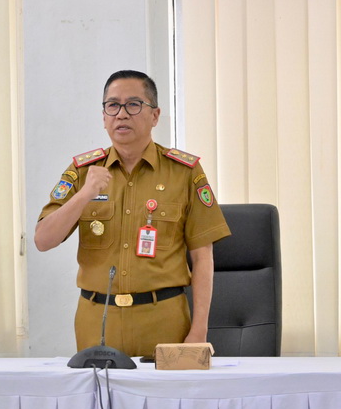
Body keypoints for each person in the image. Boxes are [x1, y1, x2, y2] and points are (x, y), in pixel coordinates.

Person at [35, 70, 232, 357]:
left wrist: (199, 330)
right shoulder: (82, 172)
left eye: (134, 104)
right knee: (97, 402)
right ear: (103, 117)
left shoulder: (184, 173)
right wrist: (84, 195)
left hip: (164, 320)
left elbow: (202, 257)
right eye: (112, 105)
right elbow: (43, 240)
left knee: (167, 402)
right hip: (97, 321)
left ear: (155, 115)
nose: (122, 114)